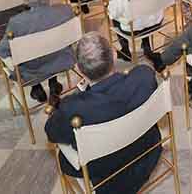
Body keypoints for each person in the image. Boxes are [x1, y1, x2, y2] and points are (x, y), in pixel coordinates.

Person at [45, 32, 161, 194]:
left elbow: (52, 133)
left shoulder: (72, 108)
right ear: (114, 55)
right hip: (147, 150)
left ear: (79, 69)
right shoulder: (144, 76)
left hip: (106, 173)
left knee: (63, 156)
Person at [0, 0, 75, 103]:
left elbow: (2, 51)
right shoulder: (66, 10)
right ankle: (53, 83)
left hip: (32, 70)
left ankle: (36, 88)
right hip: (62, 60)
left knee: (29, 54)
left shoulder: (17, 22)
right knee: (51, 45)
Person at [108, 0, 166, 70]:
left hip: (133, 29)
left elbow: (113, 14)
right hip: (155, 23)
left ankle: (125, 51)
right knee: (144, 14)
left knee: (116, 18)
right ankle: (147, 48)